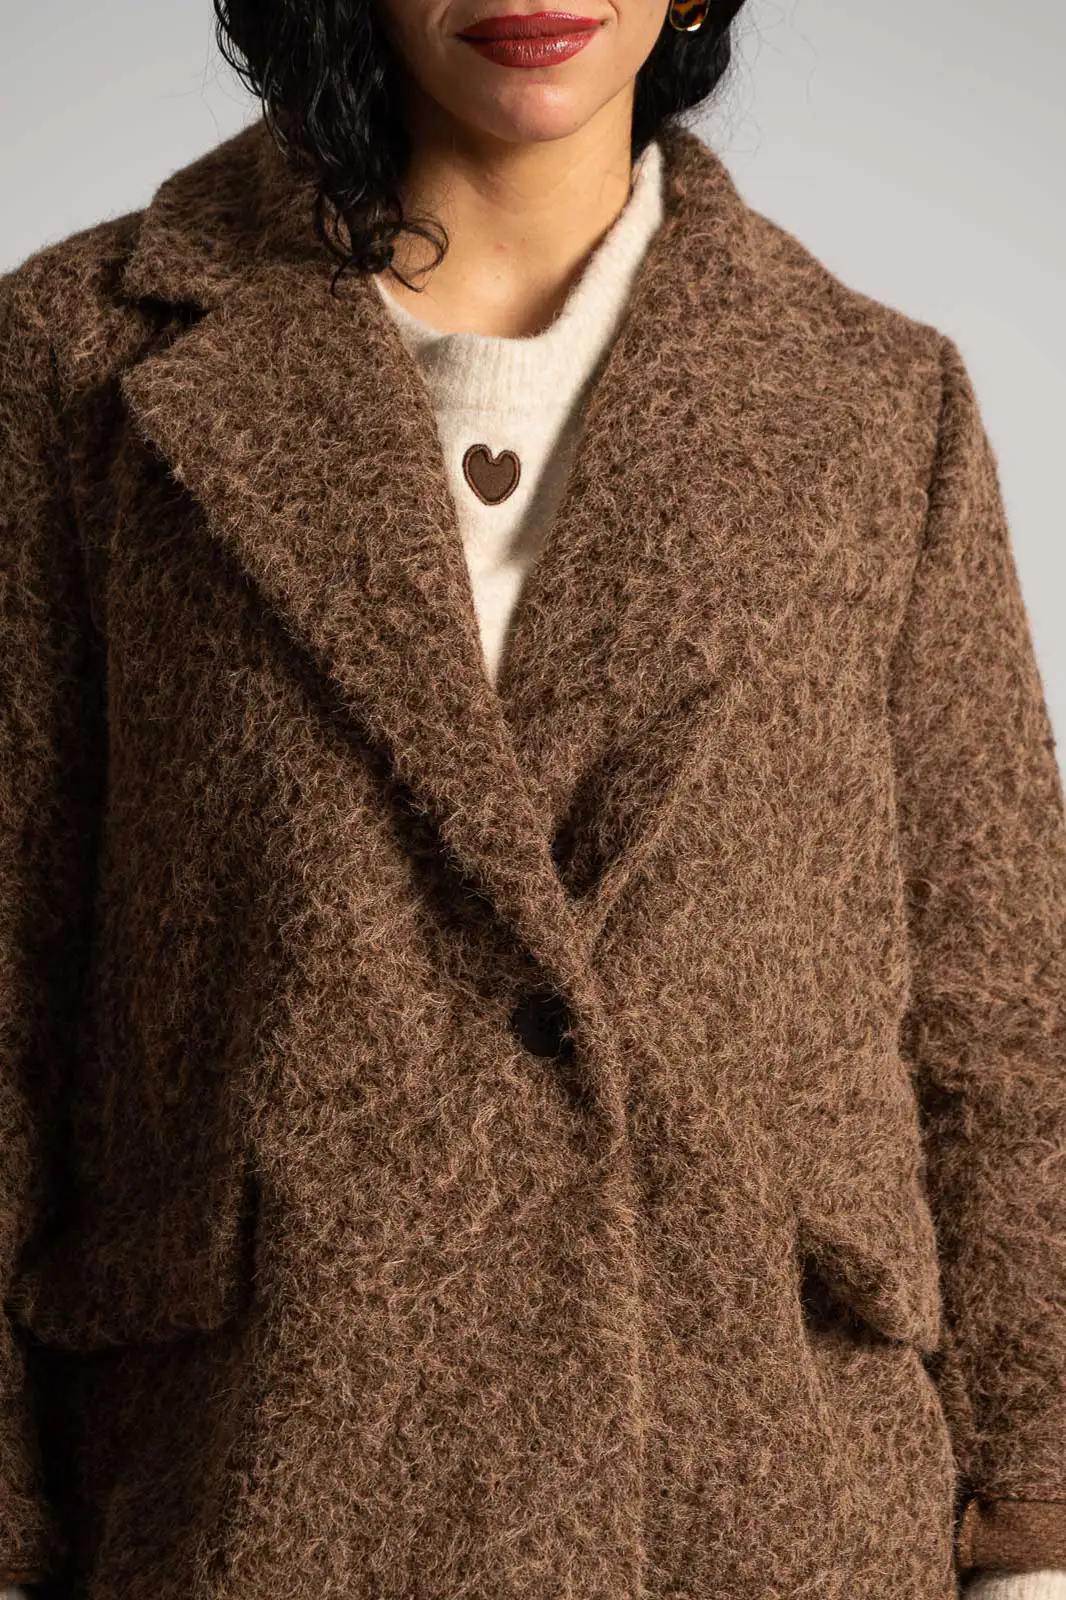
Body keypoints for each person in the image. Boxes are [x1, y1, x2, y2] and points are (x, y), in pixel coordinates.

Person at [1, 0, 1064, 1596]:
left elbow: (998, 1013)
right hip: (257, 1473)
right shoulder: (75, 358)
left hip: (761, 1493)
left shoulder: (875, 400)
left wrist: (1033, 1521)